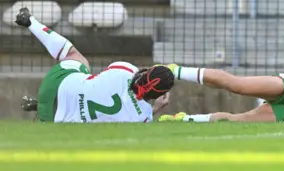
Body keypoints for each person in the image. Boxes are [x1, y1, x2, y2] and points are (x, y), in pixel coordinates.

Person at [15, 7, 174, 123]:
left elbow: (105, 82)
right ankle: (42, 107)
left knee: (78, 59)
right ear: (159, 95)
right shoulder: (143, 117)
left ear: (149, 71)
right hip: (52, 119)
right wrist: (156, 108)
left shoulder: (125, 69)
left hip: (53, 85)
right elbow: (138, 117)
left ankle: (31, 22)